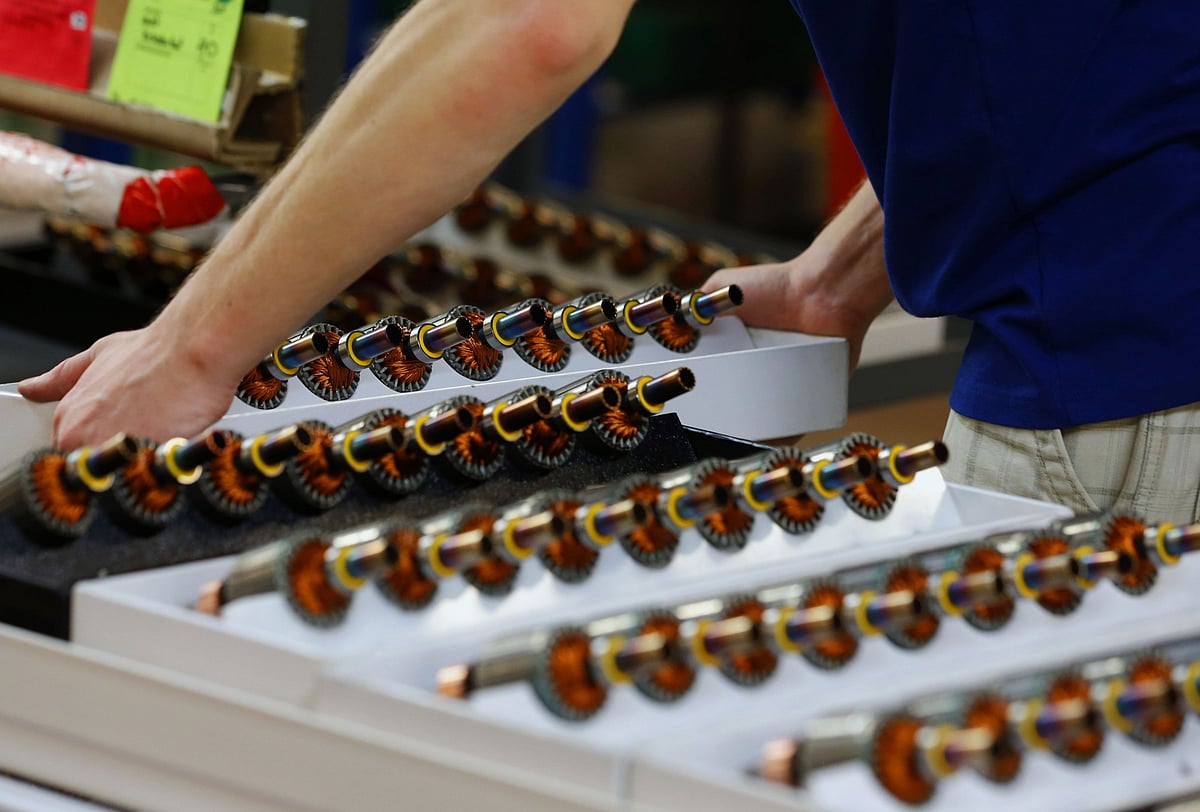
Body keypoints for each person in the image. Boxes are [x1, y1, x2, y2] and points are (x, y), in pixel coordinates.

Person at [20, 1, 1200, 526]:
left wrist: (192, 348)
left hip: (1132, 359)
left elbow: (522, 21)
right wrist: (840, 280)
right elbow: (1063, 48)